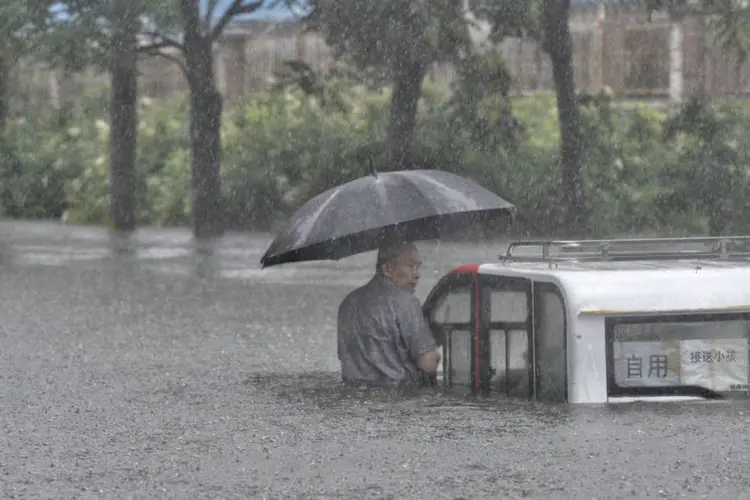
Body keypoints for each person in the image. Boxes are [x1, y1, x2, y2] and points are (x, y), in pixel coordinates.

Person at [337, 240, 441, 387]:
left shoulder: (348, 303)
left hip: (353, 395)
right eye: (411, 266)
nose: (417, 274)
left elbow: (343, 356)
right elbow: (427, 363)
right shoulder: (406, 302)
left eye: (418, 267)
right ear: (386, 269)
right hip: (397, 397)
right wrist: (435, 354)